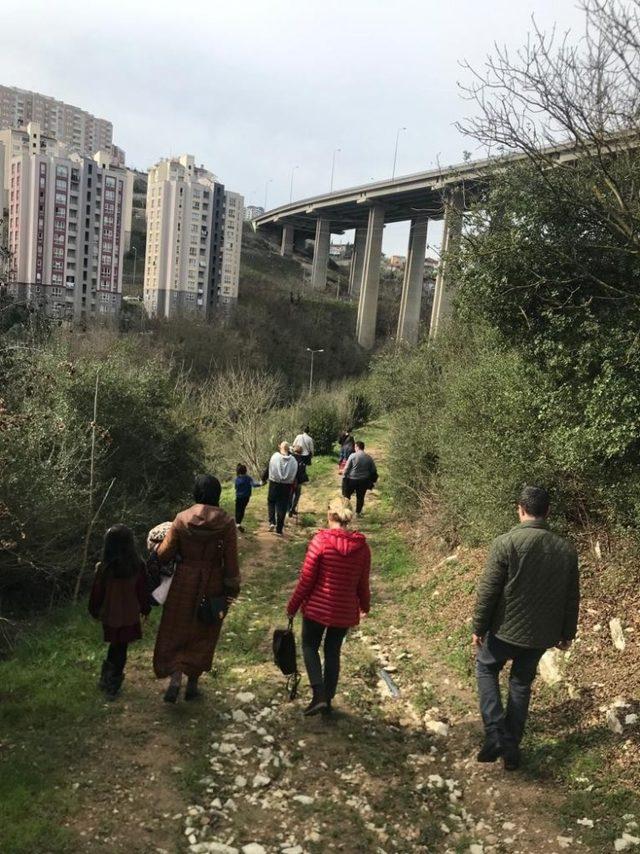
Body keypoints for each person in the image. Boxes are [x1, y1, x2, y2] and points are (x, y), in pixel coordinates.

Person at [472, 485, 580, 771]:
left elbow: (488, 591)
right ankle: (511, 749)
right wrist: (567, 634)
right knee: (521, 684)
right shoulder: (566, 550)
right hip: (540, 635)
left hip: (505, 630)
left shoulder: (506, 543)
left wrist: (479, 626)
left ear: (520, 509)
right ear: (548, 512)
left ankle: (495, 733)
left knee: (486, 668)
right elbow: (572, 596)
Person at [153, 475, 240, 703]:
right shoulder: (227, 523)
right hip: (213, 582)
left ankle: (175, 678)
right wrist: (232, 589)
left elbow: (164, 554)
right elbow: (231, 561)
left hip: (183, 580)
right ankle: (193, 684)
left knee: (176, 627)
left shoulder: (182, 519)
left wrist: (154, 548)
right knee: (204, 630)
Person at [287, 496, 371, 717]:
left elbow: (306, 579)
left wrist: (293, 605)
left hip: (317, 607)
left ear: (330, 514)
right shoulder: (362, 547)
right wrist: (365, 605)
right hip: (344, 610)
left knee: (308, 646)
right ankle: (328, 701)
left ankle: (319, 695)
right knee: (333, 652)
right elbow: (363, 582)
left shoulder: (320, 541)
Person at [88, 524, 150, 700]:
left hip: (111, 614)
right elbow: (142, 591)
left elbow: (97, 592)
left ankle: (107, 679)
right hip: (129, 614)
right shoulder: (138, 566)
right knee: (121, 647)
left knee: (115, 645)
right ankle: (112, 684)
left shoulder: (104, 568)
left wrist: (94, 610)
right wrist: (145, 608)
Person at [264, 441, 298, 535]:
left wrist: (263, 479)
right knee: (282, 507)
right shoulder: (293, 461)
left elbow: (269, 468)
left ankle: (272, 522)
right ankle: (279, 529)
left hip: (274, 483)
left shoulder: (275, 457)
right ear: (288, 449)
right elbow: (295, 474)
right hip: (286, 486)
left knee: (271, 502)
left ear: (280, 448)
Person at [342, 440, 378, 516]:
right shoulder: (369, 457)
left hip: (352, 479)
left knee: (347, 495)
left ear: (357, 447)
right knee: (360, 497)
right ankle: (358, 512)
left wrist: (344, 476)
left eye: (355, 447)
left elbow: (347, 468)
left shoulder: (352, 456)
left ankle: (346, 510)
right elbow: (373, 470)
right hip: (363, 480)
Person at [234, 464, 262, 533]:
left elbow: (236, 487)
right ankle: (238, 523)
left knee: (238, 509)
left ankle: (237, 523)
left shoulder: (237, 479)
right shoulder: (248, 478)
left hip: (238, 497)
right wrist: (260, 484)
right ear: (245, 471)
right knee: (242, 509)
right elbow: (254, 485)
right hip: (246, 497)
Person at [289, 443, 310, 517]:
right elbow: (303, 471)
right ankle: (293, 508)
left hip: (291, 480)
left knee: (290, 495)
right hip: (298, 481)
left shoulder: (290, 458)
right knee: (297, 495)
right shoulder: (302, 460)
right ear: (301, 452)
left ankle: (289, 509)